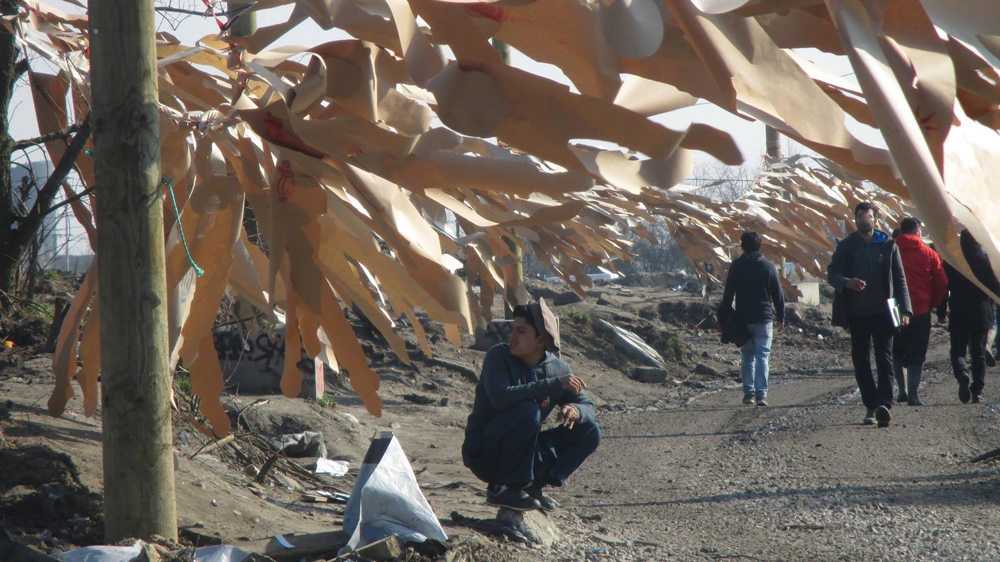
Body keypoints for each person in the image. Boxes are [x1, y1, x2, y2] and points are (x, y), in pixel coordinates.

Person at [462, 299, 600, 511]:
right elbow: (500, 398)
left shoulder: (558, 368)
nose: (512, 336)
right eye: (513, 329)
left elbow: (588, 406)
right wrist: (554, 385)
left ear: (540, 340)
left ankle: (532, 485)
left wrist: (575, 410)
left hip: (523, 453)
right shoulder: (498, 356)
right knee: (528, 410)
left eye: (521, 331)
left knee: (590, 431)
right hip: (486, 452)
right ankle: (502, 487)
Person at [828, 202, 912, 427]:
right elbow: (832, 274)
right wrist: (847, 282)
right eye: (860, 219)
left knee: (884, 358)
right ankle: (870, 405)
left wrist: (905, 310)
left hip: (884, 313)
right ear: (855, 220)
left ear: (876, 219)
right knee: (861, 360)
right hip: (857, 315)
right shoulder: (847, 247)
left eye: (868, 219)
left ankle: (884, 404)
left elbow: (899, 278)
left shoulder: (887, 245)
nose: (864, 223)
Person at [718, 231, 785, 406]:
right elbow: (778, 294)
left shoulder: (736, 266)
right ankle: (762, 395)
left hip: (743, 319)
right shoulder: (769, 267)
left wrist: (724, 317)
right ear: (759, 245)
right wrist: (781, 316)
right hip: (764, 318)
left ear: (742, 247)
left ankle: (749, 394)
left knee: (747, 355)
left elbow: (728, 295)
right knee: (762, 355)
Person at [938, 229, 1000, 404]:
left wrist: (941, 311)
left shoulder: (952, 262)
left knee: (957, 349)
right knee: (978, 352)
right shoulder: (985, 261)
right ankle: (977, 390)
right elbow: (995, 285)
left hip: (958, 310)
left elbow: (944, 288)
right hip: (981, 311)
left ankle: (962, 373)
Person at [891, 217, 947, 405]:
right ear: (917, 231)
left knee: (896, 351)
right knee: (917, 353)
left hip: (895, 311)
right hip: (921, 311)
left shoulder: (890, 250)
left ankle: (902, 390)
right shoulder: (929, 253)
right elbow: (942, 283)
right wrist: (932, 303)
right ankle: (913, 394)